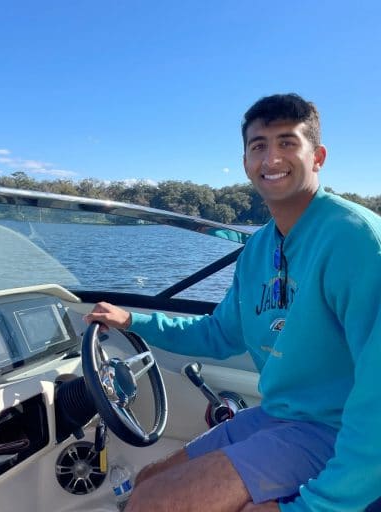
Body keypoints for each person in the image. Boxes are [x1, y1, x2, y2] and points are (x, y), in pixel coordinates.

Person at [84, 93, 381, 511]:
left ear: (318, 157)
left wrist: (315, 507)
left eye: (287, 142)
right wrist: (132, 319)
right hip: (277, 416)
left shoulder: (357, 241)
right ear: (245, 162)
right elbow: (219, 333)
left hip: (332, 428)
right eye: (259, 146)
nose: (271, 157)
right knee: (150, 480)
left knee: (158, 502)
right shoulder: (259, 247)